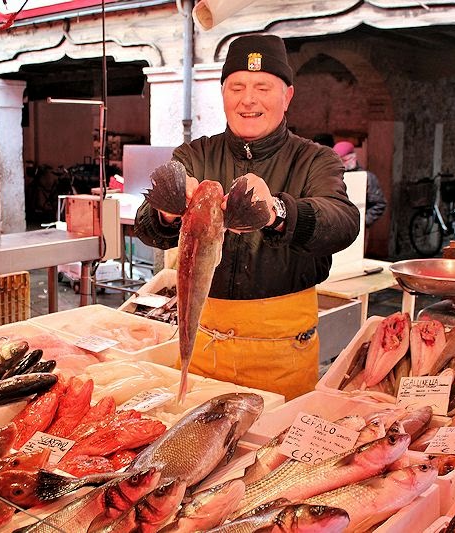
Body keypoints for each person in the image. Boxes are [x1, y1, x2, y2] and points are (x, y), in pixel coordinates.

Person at [134, 34, 360, 400]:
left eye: (263, 87)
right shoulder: (193, 154)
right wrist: (167, 209)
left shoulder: (316, 160)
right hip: (204, 341)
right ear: (223, 94)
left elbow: (343, 222)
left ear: (287, 96)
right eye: (236, 86)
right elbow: (148, 224)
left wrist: (278, 212)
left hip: (284, 350)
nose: (248, 99)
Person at [332, 140, 387, 229]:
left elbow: (379, 204)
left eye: (344, 160)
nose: (341, 164)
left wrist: (363, 222)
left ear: (352, 158)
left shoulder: (367, 178)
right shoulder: (332, 178)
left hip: (356, 230)